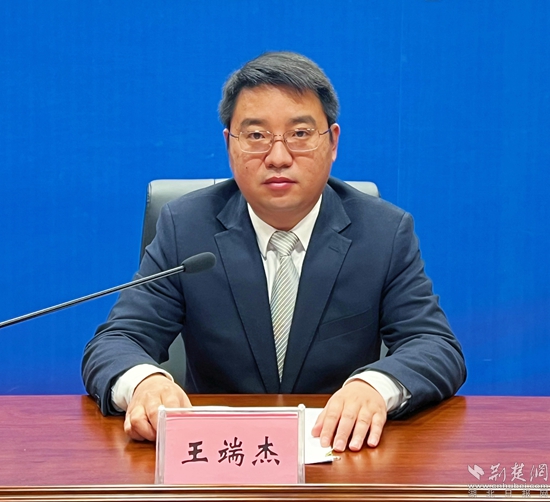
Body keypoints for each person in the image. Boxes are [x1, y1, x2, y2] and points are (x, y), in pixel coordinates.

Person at [82, 51, 466, 452]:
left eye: (299, 134)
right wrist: (143, 382)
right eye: (256, 136)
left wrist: (375, 387)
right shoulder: (187, 228)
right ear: (229, 145)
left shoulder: (383, 233)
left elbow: (435, 346)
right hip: (219, 459)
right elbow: (116, 340)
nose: (278, 157)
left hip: (339, 455)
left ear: (333, 142)